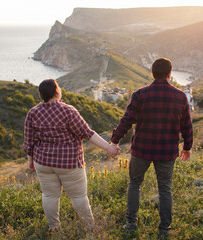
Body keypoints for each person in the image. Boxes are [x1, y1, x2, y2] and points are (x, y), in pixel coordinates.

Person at [110, 58, 193, 238]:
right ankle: (164, 228)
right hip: (167, 151)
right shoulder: (180, 97)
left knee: (134, 184)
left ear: (152, 73)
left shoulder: (140, 94)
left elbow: (127, 120)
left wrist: (114, 140)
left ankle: (131, 223)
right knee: (165, 188)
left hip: (141, 149)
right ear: (170, 74)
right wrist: (187, 147)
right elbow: (187, 125)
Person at [23, 79, 120, 231]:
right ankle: (89, 228)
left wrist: (30, 161)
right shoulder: (68, 110)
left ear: (41, 95)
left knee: (49, 196)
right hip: (68, 162)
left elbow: (29, 141)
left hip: (43, 162)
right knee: (79, 197)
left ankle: (54, 228)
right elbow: (87, 133)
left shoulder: (33, 113)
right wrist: (109, 147)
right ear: (57, 91)